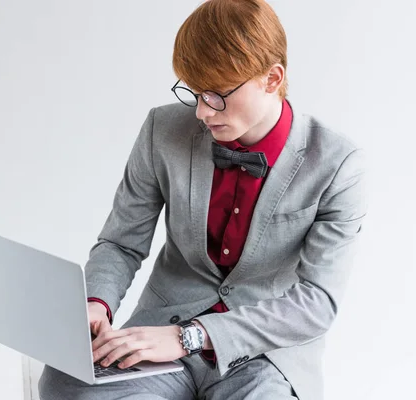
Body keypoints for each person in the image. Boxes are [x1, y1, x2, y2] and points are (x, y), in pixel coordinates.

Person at [39, 0, 368, 399]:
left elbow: (316, 302)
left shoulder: (336, 164)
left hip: (262, 354)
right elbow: (121, 243)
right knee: (63, 383)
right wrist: (96, 303)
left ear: (271, 78)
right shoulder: (162, 129)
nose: (201, 112)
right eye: (194, 93)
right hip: (159, 335)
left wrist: (191, 337)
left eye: (216, 95)